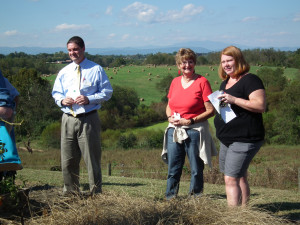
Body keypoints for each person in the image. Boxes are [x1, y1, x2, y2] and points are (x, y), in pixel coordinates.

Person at [52, 36, 113, 196]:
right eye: (70, 50)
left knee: (92, 160)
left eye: (75, 49)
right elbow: (56, 93)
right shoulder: (64, 72)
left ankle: (95, 194)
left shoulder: (96, 69)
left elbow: (107, 92)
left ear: (83, 48)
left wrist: (89, 99)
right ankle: (70, 193)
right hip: (68, 119)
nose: (73, 53)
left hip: (88, 119)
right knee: (68, 160)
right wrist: (61, 100)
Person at [161, 48, 217, 200]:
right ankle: (171, 198)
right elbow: (169, 104)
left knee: (196, 169)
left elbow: (210, 110)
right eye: (183, 62)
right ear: (178, 65)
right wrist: (169, 117)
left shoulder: (202, 82)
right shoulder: (174, 82)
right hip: (175, 129)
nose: (187, 65)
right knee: (174, 168)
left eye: (190, 61)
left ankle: (195, 198)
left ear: (195, 63)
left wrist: (191, 120)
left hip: (194, 130)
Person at [214, 46, 266, 207]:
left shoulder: (251, 80)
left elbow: (260, 105)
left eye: (230, 60)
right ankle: (244, 212)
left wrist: (234, 100)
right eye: (223, 61)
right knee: (240, 175)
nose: (226, 64)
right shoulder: (226, 82)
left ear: (239, 60)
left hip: (245, 138)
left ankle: (233, 218)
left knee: (231, 179)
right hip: (227, 139)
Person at [0, 69, 20, 181]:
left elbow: (15, 96)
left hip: (4, 119)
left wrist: (12, 115)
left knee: (5, 150)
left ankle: (8, 178)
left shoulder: (3, 81)